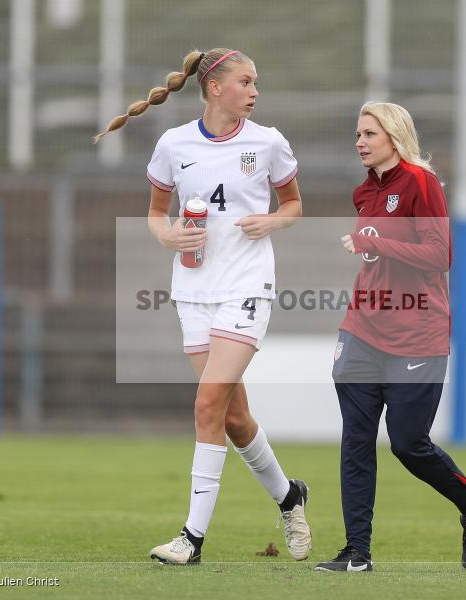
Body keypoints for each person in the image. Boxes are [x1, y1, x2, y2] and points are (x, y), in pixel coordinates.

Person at [94, 48, 311, 565]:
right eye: (245, 81)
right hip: (193, 293)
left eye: (256, 82)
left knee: (206, 405)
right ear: (215, 88)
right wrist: (167, 237)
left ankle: (190, 540)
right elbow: (155, 214)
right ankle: (289, 496)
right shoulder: (174, 144)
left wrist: (272, 222)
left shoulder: (268, 143)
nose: (255, 91)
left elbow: (294, 204)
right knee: (234, 418)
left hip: (247, 287)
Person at [314, 102, 466, 573]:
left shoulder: (421, 182)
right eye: (357, 133)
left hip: (417, 332)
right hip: (362, 329)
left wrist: (373, 241)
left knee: (408, 444)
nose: (360, 141)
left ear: (394, 136)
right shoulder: (363, 193)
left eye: (369, 133)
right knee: (355, 440)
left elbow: (439, 255)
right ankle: (357, 553)